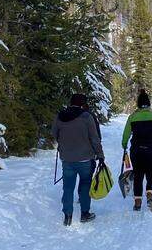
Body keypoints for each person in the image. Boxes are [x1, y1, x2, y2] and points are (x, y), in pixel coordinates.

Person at [52, 93, 103, 226]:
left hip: (67, 159)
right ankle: (85, 213)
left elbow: (54, 133)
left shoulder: (60, 115)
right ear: (82, 103)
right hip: (85, 158)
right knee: (85, 186)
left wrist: (63, 143)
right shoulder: (87, 116)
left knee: (68, 188)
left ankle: (67, 215)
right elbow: (95, 138)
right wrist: (100, 155)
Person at [121, 89, 152, 213]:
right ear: (148, 104)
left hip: (137, 151)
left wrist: (124, 145)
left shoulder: (133, 117)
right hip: (151, 151)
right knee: (151, 175)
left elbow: (126, 135)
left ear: (138, 104)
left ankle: (137, 203)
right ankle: (150, 197)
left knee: (138, 176)